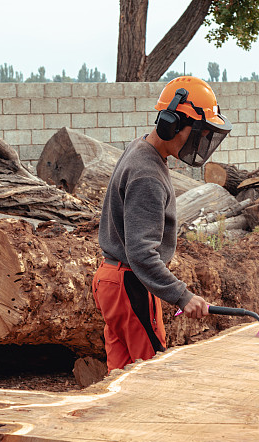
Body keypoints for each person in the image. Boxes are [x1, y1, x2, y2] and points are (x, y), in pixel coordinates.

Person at [93, 76, 233, 371]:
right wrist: (182, 296)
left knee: (119, 376)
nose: (200, 142)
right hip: (131, 283)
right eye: (198, 133)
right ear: (171, 124)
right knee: (150, 373)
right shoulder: (148, 175)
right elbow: (142, 253)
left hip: (112, 280)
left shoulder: (141, 149)